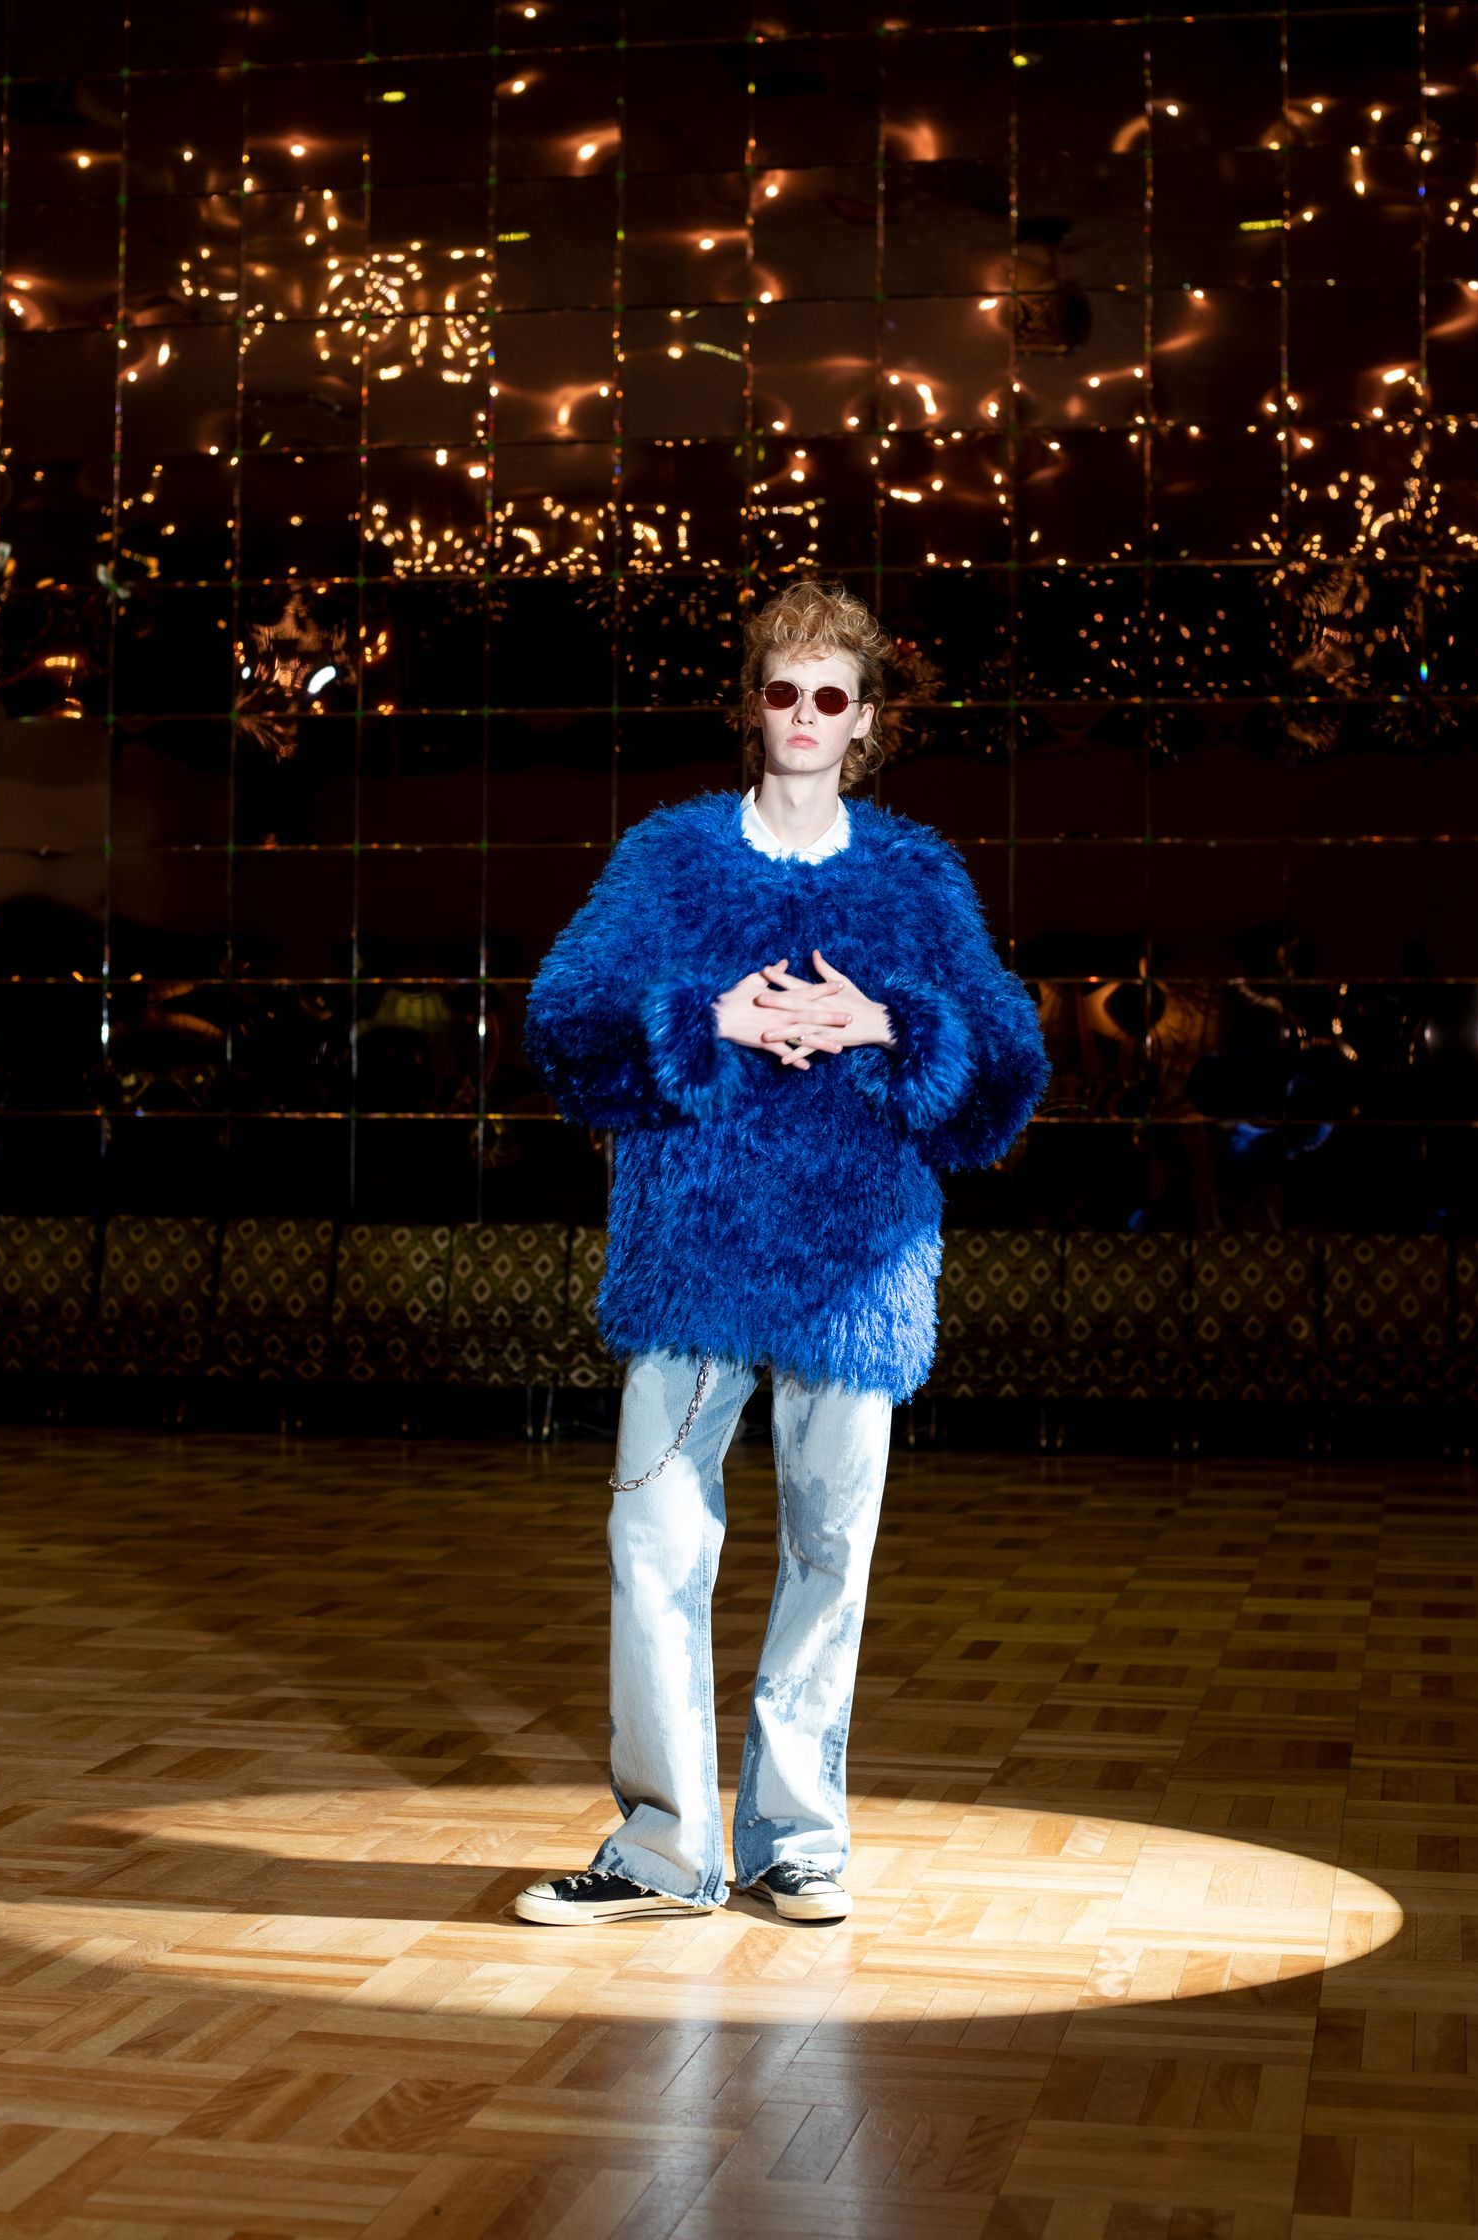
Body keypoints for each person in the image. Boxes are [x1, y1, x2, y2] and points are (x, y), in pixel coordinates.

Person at [513, 579, 1050, 1927]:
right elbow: (563, 1023)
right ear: (752, 707)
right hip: (691, 1258)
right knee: (652, 1545)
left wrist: (893, 1025)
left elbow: (1006, 1069)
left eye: (831, 695)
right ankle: (665, 1850)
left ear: (866, 720)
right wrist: (706, 1018)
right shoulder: (670, 857)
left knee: (830, 1556)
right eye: (782, 689)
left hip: (856, 1270)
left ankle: (798, 1842)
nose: (804, 714)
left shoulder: (916, 878)